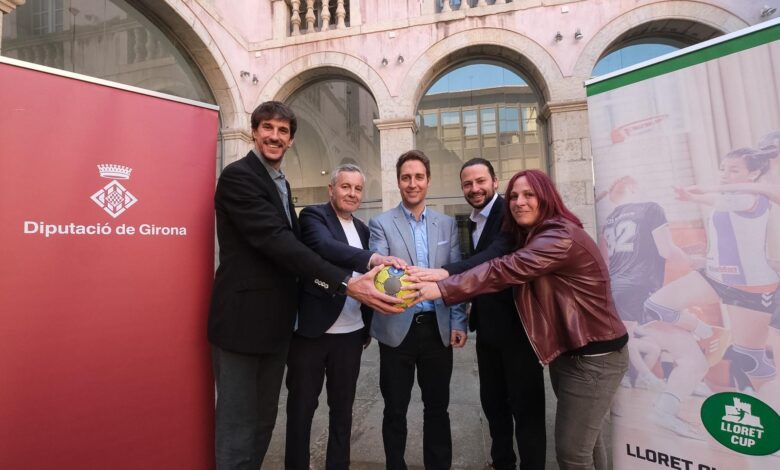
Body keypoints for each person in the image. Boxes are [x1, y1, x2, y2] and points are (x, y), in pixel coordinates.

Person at [207, 101, 403, 470]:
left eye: (283, 131)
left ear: (291, 140)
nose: (275, 136)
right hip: (241, 323)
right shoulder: (239, 176)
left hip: (276, 326)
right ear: (254, 132)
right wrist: (346, 284)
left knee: (264, 422)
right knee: (237, 429)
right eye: (268, 128)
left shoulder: (280, 182)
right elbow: (278, 242)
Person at [407, 169, 629, 470]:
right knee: (587, 445)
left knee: (572, 453)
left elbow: (504, 268)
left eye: (528, 195)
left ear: (546, 197)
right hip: (571, 351)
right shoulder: (534, 233)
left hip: (595, 356)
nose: (519, 202)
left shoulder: (558, 236)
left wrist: (443, 287)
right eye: (514, 196)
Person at [285, 163, 405, 470]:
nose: (352, 193)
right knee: (301, 411)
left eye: (358, 188)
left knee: (342, 412)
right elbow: (326, 247)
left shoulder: (364, 230)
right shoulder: (313, 216)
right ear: (332, 189)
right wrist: (374, 258)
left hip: (350, 336)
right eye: (345, 186)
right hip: (312, 333)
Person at [368, 150, 467, 470]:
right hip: (396, 329)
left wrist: (458, 322)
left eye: (418, 177)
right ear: (398, 182)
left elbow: (454, 276)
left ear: (428, 180)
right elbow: (379, 273)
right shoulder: (380, 223)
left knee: (437, 408)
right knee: (394, 409)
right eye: (406, 177)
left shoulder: (446, 224)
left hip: (437, 329)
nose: (413, 183)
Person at [445, 158, 547, 470]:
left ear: (494, 182)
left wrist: (443, 275)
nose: (474, 188)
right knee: (493, 404)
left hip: (518, 329)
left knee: (526, 409)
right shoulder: (473, 220)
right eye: (467, 184)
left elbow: (492, 258)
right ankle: (502, 463)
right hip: (488, 330)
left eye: (480, 181)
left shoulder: (508, 212)